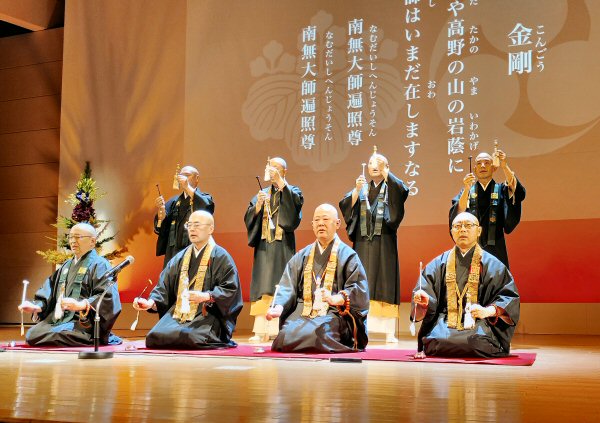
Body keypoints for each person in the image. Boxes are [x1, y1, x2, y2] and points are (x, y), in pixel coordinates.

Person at [411, 212, 520, 358]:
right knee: (436, 340)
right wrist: (424, 302)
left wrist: (487, 311)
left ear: (479, 231)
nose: (462, 229)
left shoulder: (493, 265)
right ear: (451, 232)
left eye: (468, 225)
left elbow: (508, 297)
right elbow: (425, 293)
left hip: (479, 323)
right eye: (457, 226)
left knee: (475, 341)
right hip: (445, 323)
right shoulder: (438, 264)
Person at [266, 204, 369, 353]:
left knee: (317, 334)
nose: (320, 223)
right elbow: (287, 285)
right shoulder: (302, 255)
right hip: (303, 310)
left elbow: (358, 289)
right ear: (312, 225)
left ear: (337, 223)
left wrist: (337, 298)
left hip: (333, 313)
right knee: (283, 337)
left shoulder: (348, 255)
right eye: (317, 220)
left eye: (325, 219)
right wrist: (279, 306)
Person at [135, 210, 243, 349]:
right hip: (179, 313)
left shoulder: (221, 257)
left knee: (190, 337)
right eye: (189, 225)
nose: (192, 229)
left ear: (211, 229)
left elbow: (230, 289)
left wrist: (206, 296)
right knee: (154, 337)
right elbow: (164, 287)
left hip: (207, 313)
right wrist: (150, 303)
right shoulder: (180, 258)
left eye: (197, 225)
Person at [339, 149, 409, 342]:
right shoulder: (362, 188)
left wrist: (387, 175)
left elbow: (402, 192)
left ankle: (388, 332)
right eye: (371, 163)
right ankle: (359, 327)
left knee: (385, 282)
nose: (374, 166)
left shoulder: (391, 187)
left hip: (384, 242)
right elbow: (345, 205)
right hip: (362, 243)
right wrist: (356, 190)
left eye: (379, 163)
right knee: (361, 280)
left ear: (387, 167)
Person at [18, 223, 122, 346]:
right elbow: (49, 292)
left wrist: (81, 305)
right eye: (71, 237)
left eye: (78, 237)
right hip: (60, 319)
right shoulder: (65, 266)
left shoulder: (100, 264)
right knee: (32, 334)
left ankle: (91, 337)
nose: (73, 241)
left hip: (82, 321)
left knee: (59, 334)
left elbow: (107, 296)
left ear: (92, 241)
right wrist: (37, 307)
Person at [244, 157, 303, 342]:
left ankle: (278, 329)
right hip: (264, 247)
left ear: (284, 171)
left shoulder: (293, 191)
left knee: (281, 283)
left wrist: (281, 183)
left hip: (282, 246)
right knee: (262, 285)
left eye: (276, 168)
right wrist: (258, 206)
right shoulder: (262, 194)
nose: (272, 170)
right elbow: (249, 218)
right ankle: (260, 330)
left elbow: (294, 213)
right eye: (270, 167)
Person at [449, 149, 525, 268]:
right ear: (475, 169)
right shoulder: (467, 191)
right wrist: (467, 189)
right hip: (471, 245)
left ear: (494, 168)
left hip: (496, 245)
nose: (483, 166)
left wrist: (504, 166)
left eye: (487, 162)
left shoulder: (501, 189)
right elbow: (458, 213)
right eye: (479, 163)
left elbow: (517, 191)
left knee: (498, 276)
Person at [155, 165, 215, 267]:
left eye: (187, 175)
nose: (183, 178)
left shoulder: (205, 198)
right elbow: (161, 229)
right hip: (173, 252)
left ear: (197, 178)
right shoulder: (174, 202)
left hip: (194, 248)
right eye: (181, 175)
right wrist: (161, 216)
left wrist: (187, 187)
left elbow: (206, 207)